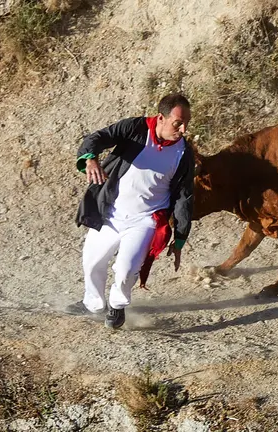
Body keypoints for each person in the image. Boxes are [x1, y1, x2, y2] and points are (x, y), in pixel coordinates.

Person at [65, 93, 195, 329]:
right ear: (161, 118)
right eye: (178, 122)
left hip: (146, 220)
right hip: (111, 213)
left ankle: (117, 306)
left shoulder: (184, 153)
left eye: (186, 122)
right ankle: (93, 304)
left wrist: (181, 237)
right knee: (92, 262)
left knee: (126, 268)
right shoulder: (135, 128)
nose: (183, 129)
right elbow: (99, 137)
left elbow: (184, 196)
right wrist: (90, 158)